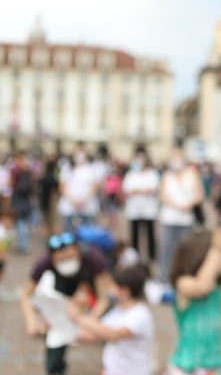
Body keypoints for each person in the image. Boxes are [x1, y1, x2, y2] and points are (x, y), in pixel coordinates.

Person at [20, 232, 111, 374]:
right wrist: (32, 321)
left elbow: (103, 298)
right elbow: (26, 295)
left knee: (111, 320)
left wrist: (89, 321)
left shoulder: (93, 257)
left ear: (77, 250)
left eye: (69, 257)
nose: (66, 261)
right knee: (56, 324)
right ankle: (55, 369)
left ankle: (115, 362)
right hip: (62, 287)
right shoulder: (44, 261)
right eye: (60, 259)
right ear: (53, 259)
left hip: (90, 282)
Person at [168, 229, 221, 374]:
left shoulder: (216, 289)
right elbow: (202, 287)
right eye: (220, 255)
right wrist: (216, 250)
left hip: (215, 364)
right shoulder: (183, 284)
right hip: (189, 366)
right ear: (202, 258)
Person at [67, 264, 154, 375]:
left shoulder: (140, 315)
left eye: (111, 286)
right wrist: (60, 328)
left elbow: (113, 335)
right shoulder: (117, 311)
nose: (107, 290)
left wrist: (78, 317)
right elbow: (94, 335)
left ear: (124, 291)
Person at [159, 148, 203, 283]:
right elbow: (162, 196)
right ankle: (165, 278)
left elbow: (199, 195)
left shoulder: (192, 174)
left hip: (186, 219)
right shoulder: (167, 176)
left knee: (186, 249)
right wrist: (176, 205)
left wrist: (188, 204)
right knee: (167, 249)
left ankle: (185, 276)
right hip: (169, 218)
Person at [123, 148, 160, 263]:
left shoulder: (152, 174)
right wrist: (142, 191)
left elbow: (152, 189)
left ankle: (152, 256)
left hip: (148, 210)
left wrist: (138, 190)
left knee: (150, 234)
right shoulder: (131, 174)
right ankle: (135, 257)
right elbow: (127, 190)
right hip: (134, 210)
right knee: (135, 235)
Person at [58, 146, 100, 231]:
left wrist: (84, 200)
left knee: (87, 234)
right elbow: (62, 186)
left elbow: (95, 187)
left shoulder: (91, 169)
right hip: (69, 208)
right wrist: (73, 201)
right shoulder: (67, 168)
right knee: (68, 234)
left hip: (87, 208)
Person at [10, 151, 35, 253]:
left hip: (18, 198)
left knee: (20, 222)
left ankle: (23, 244)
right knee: (23, 222)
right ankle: (24, 243)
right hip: (25, 198)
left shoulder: (16, 170)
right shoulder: (28, 169)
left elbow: (11, 182)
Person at [38, 155, 59, 235]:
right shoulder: (54, 177)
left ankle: (49, 235)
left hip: (44, 200)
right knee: (54, 219)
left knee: (46, 220)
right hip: (51, 200)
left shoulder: (44, 177)